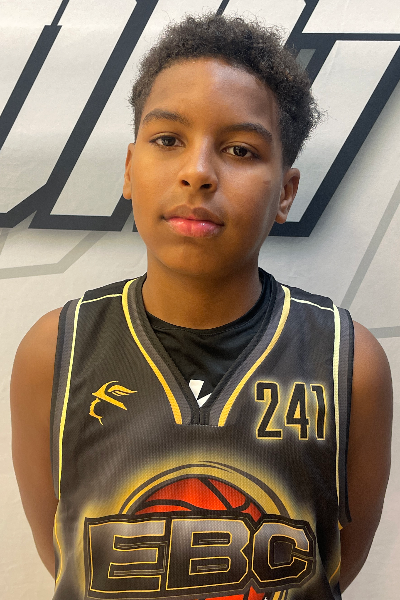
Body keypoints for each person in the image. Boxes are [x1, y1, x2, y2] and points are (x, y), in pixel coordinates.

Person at [10, 13, 392, 600]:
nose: (197, 172)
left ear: (286, 192)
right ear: (130, 169)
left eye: (240, 149)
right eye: (168, 140)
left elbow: (336, 564)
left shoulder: (351, 363)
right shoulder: (53, 351)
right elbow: (63, 556)